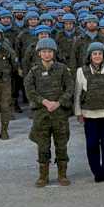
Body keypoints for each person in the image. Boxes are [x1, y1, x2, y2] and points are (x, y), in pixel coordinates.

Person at [24, 38, 74, 187]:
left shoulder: (63, 69)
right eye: (44, 51)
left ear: (54, 53)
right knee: (43, 146)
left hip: (59, 114)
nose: (47, 54)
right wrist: (45, 102)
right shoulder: (33, 71)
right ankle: (43, 176)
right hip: (42, 114)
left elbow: (70, 88)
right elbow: (30, 90)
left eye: (50, 51)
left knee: (61, 145)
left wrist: (58, 103)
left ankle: (62, 175)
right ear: (39, 53)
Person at [74, 41, 104, 183]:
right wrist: (78, 112)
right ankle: (96, 171)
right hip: (89, 114)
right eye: (94, 54)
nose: (97, 56)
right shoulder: (81, 71)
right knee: (92, 144)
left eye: (100, 54)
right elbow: (77, 93)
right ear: (90, 56)